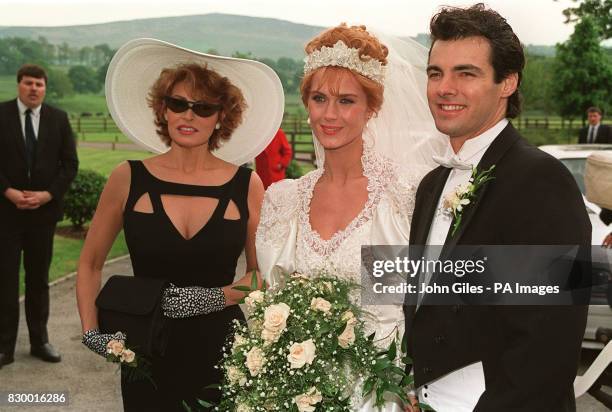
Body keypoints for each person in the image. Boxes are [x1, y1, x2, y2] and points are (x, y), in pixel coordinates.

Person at [76, 39, 283, 411]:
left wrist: (211, 297)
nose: (189, 116)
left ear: (221, 116)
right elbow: (90, 264)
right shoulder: (127, 178)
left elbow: (260, 275)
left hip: (221, 348)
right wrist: (91, 331)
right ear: (163, 110)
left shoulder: (246, 185)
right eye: (178, 104)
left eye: (203, 108)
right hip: (145, 349)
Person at [403, 4, 590, 411]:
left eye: (465, 73)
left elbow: (548, 346)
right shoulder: (431, 186)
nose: (443, 88)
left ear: (507, 82)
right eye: (436, 73)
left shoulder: (543, 181)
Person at [256, 24, 445, 410]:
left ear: (371, 108)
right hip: (297, 391)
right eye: (319, 98)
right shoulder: (283, 199)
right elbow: (267, 300)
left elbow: (430, 301)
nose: (329, 114)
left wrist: (417, 385)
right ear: (306, 103)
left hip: (382, 393)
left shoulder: (403, 196)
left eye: (346, 101)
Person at [0, 64, 78, 368]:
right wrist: (8, 191)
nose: (34, 88)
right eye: (29, 83)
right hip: (6, 214)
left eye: (39, 84)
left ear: (45, 89)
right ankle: (4, 347)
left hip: (42, 216)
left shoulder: (58, 119)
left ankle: (39, 342)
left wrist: (47, 195)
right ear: (19, 85)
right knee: (5, 280)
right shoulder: (1, 115)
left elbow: (69, 164)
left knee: (38, 280)